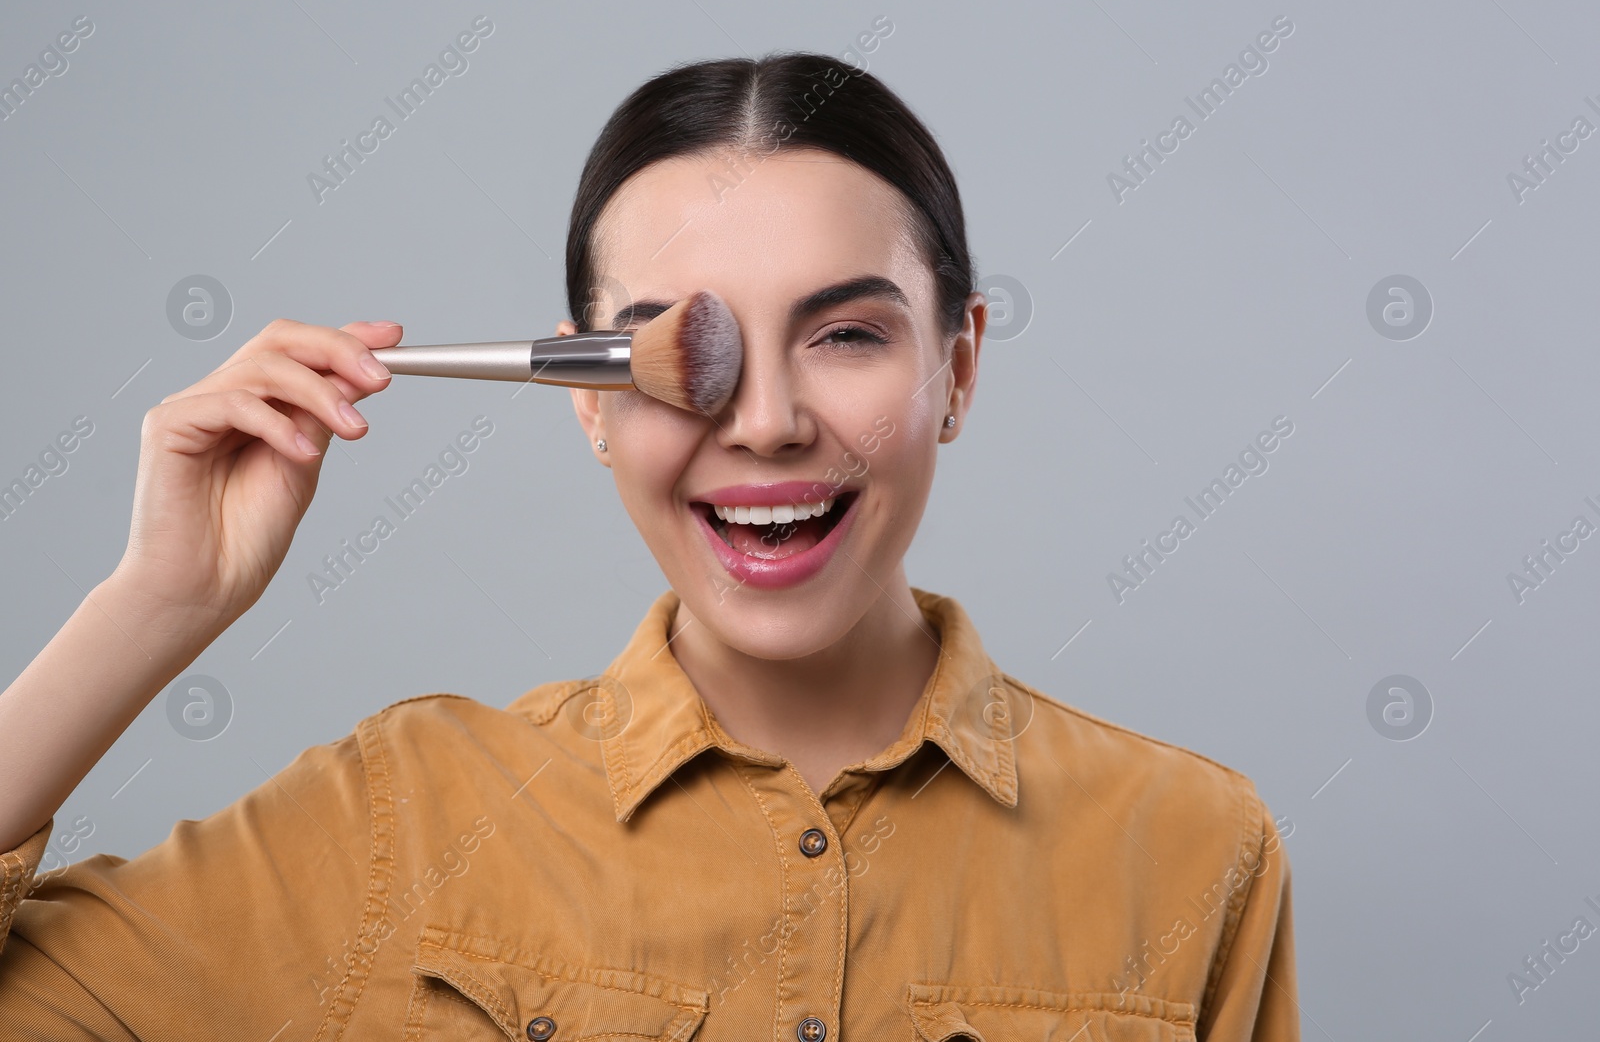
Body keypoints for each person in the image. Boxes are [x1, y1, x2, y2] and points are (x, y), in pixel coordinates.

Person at [0, 51, 1298, 1039]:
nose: (771, 423)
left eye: (847, 335)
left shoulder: (1187, 845)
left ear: (956, 368)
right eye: (677, 347)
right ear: (586, 395)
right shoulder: (408, 812)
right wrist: (153, 605)